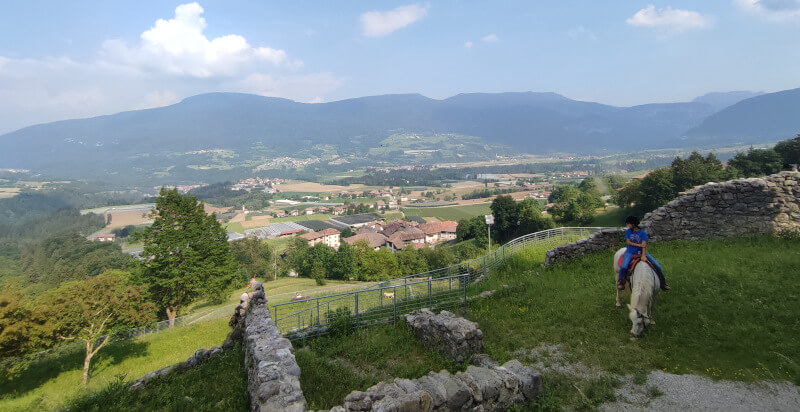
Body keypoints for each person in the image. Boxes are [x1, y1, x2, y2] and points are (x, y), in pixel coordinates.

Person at [618, 216, 670, 291]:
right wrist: (639, 245)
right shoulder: (628, 231)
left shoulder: (642, 233)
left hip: (641, 252)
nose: (627, 225)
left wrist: (643, 255)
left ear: (633, 224)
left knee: (657, 266)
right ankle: (621, 281)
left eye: (628, 224)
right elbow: (628, 242)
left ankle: (662, 283)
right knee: (624, 266)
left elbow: (644, 245)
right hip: (630, 252)